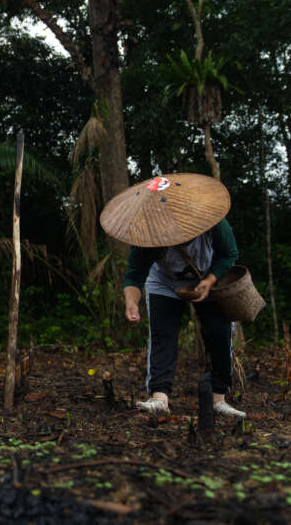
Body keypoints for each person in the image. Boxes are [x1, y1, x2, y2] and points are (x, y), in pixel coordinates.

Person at [100, 173, 246, 419]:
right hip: (165, 283)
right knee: (163, 335)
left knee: (219, 333)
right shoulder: (148, 234)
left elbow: (229, 254)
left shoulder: (212, 221)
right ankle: (159, 397)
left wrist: (210, 281)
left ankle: (218, 398)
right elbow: (134, 276)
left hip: (207, 278)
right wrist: (131, 301)